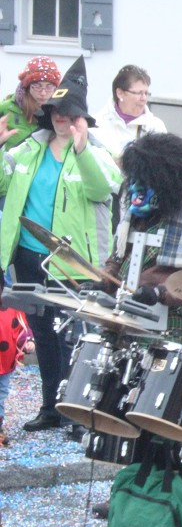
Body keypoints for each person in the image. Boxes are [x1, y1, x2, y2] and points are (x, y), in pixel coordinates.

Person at [1, 57, 122, 434]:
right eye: (55, 111)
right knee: (43, 337)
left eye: (69, 114)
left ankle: (77, 411)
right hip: (28, 254)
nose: (60, 119)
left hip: (73, 262)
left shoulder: (96, 152)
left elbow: (104, 188)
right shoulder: (29, 149)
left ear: (81, 118)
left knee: (72, 338)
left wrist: (83, 148)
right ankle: (51, 407)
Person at [103, 133, 182, 343]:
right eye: (134, 178)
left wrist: (159, 292)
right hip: (122, 322)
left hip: (164, 331)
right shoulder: (135, 218)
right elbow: (117, 260)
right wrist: (104, 282)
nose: (136, 186)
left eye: (144, 180)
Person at [92, 65, 168, 163]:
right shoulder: (97, 124)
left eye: (146, 93)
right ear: (120, 93)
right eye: (139, 93)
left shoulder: (155, 126)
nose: (144, 98)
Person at [0, 57, 59, 151]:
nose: (43, 93)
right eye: (37, 86)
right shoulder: (5, 109)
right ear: (27, 87)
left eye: (49, 86)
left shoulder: (60, 113)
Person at [0, 308, 32, 446]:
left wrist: (28, 342)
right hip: (6, 359)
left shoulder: (13, 307)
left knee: (1, 394)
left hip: (5, 361)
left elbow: (22, 328)